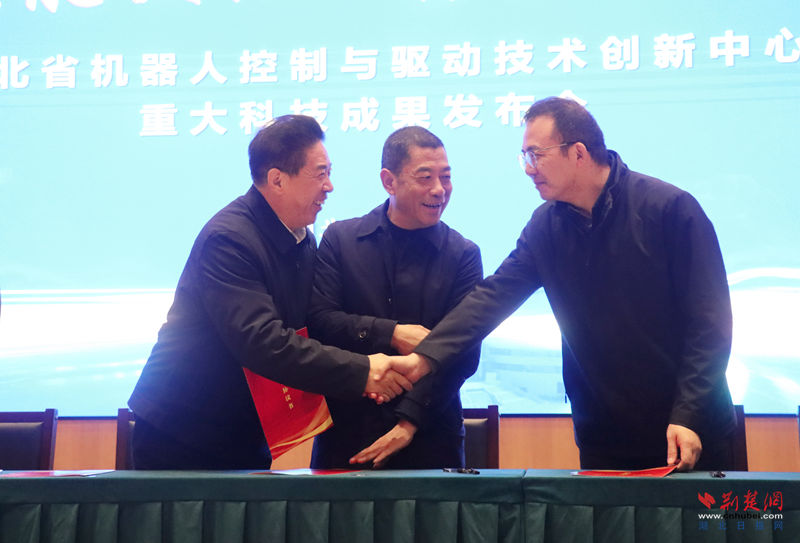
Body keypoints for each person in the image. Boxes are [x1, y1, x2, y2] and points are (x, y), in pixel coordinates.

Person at [403, 97, 737, 471]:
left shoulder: (669, 209)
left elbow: (710, 325)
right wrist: (424, 357)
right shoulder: (546, 226)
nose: (528, 168)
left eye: (536, 155)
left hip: (687, 431)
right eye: (524, 156)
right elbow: (492, 297)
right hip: (605, 437)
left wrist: (688, 414)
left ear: (578, 152)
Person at [128, 115, 422, 470]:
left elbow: (317, 321)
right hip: (182, 432)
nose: (329, 186)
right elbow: (262, 342)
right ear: (277, 180)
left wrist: (384, 341)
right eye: (320, 174)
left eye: (330, 172)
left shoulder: (302, 239)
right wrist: (363, 371)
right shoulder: (229, 239)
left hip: (243, 431)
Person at [307, 126, 483, 469]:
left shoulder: (463, 254)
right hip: (349, 431)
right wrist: (391, 333)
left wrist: (408, 422)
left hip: (430, 435)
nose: (439, 189)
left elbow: (464, 351)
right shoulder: (340, 240)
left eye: (446, 177)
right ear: (389, 181)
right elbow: (320, 321)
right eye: (425, 177)